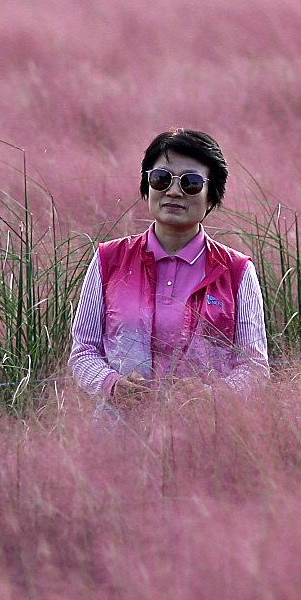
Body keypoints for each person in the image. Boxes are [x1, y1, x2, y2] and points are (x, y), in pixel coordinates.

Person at [67, 128, 270, 408]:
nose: (174, 192)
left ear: (211, 196)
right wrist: (110, 384)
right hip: (119, 428)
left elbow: (255, 367)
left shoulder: (236, 271)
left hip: (207, 429)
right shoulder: (108, 259)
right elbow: (83, 352)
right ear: (147, 186)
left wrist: (212, 397)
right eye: (161, 179)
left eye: (191, 183)